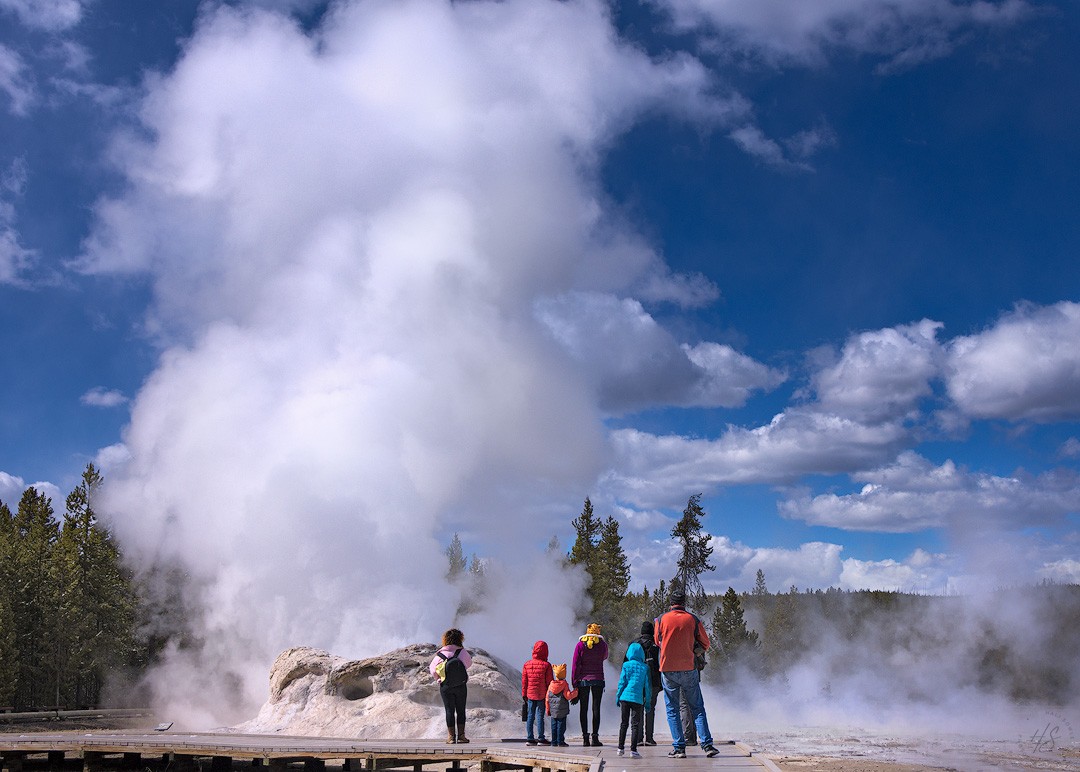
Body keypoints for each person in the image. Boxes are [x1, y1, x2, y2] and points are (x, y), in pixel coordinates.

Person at [654, 590, 719, 758]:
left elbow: (657, 641)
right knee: (697, 707)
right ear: (684, 603)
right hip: (688, 668)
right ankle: (707, 745)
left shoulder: (661, 619)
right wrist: (694, 651)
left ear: (671, 603)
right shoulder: (692, 619)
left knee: (672, 709)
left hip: (668, 668)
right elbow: (706, 643)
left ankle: (679, 748)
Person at [429, 628, 472, 744]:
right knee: (461, 710)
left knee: (449, 710)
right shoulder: (462, 652)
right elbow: (468, 664)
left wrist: (439, 678)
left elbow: (432, 670)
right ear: (460, 639)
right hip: (460, 685)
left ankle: (451, 737)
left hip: (446, 685)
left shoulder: (440, 654)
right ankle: (462, 736)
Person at [624, 620, 662, 746]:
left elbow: (626, 663)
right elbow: (661, 663)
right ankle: (649, 738)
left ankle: (638, 738)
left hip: (637, 681)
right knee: (650, 709)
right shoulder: (657, 645)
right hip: (653, 681)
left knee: (638, 708)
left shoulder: (633, 644)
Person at [572, 622, 608, 746]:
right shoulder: (603, 645)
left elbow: (575, 665)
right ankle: (595, 738)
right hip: (598, 679)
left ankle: (585, 738)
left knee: (584, 709)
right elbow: (605, 657)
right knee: (596, 708)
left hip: (583, 680)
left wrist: (574, 683)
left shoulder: (580, 645)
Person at [614, 642, 651, 758]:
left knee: (623, 723)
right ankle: (633, 750)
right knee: (635, 725)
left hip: (624, 698)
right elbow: (647, 687)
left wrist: (618, 696)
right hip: (637, 699)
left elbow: (622, 683)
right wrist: (648, 702)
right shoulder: (645, 668)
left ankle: (620, 748)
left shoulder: (626, 665)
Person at [522, 640, 554, 746]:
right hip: (542, 695)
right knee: (540, 715)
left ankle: (530, 738)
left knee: (530, 715)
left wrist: (524, 694)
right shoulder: (547, 665)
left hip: (530, 694)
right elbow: (550, 682)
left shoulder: (527, 664)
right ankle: (541, 738)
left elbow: (524, 682)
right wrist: (551, 695)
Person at [546, 663, 578, 747]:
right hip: (562, 711)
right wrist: (575, 693)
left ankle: (554, 741)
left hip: (553, 711)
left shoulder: (551, 685)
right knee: (561, 726)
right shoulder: (564, 684)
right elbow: (568, 696)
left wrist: (548, 709)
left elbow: (547, 698)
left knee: (553, 726)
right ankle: (560, 741)